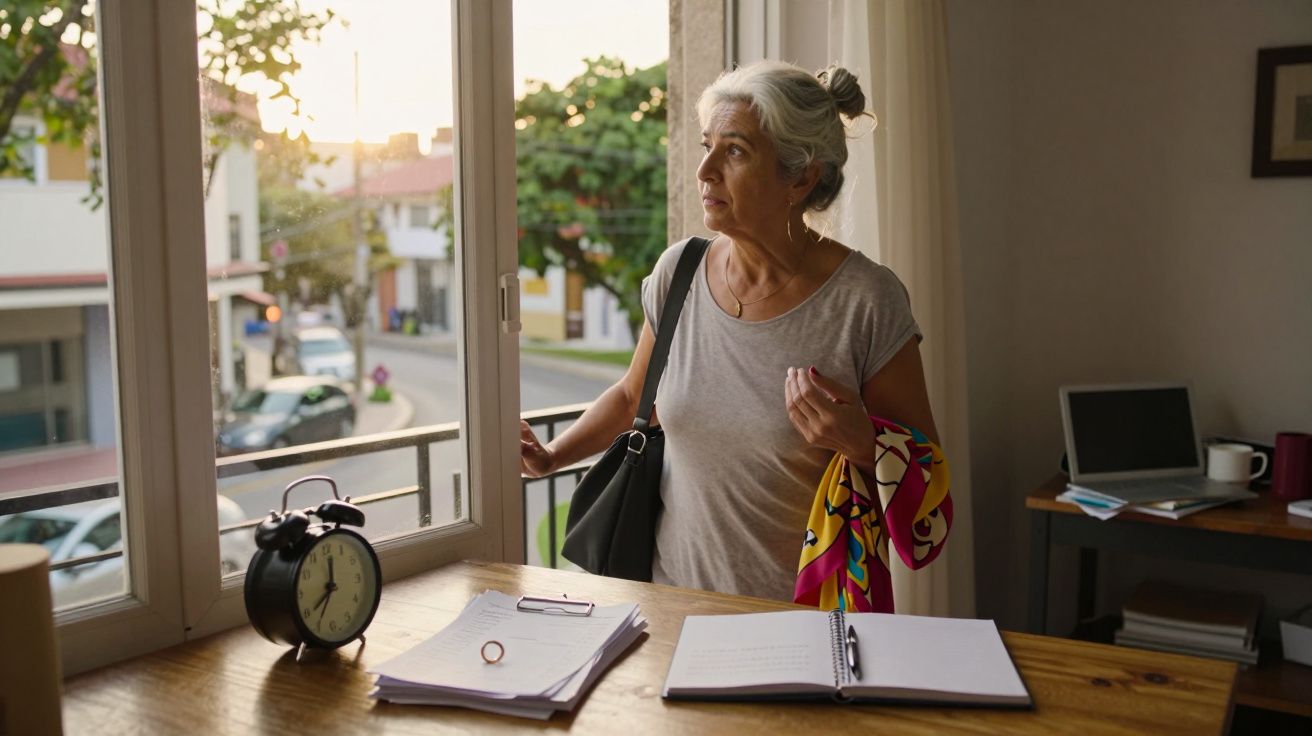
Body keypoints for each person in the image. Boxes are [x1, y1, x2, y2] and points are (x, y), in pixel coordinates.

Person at [520, 61, 942, 604]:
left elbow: (927, 478)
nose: (704, 170)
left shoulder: (865, 301)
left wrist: (862, 442)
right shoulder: (680, 274)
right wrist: (552, 456)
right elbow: (632, 396)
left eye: (735, 151)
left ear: (801, 177)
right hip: (671, 612)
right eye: (706, 145)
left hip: (806, 627)